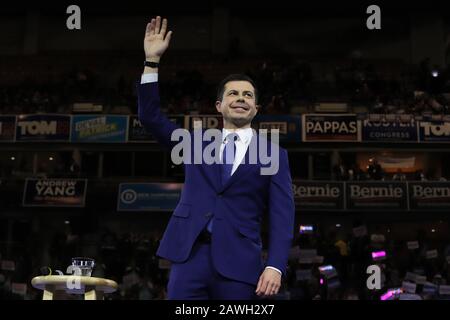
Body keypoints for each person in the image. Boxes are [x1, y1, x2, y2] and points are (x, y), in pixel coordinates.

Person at [137, 16, 295, 300]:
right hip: (189, 256)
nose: (240, 98)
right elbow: (150, 117)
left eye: (248, 95)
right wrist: (152, 62)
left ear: (256, 109)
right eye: (233, 93)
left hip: (240, 263)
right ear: (219, 105)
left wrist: (275, 265)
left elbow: (283, 216)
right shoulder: (196, 143)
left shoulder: (274, 154)